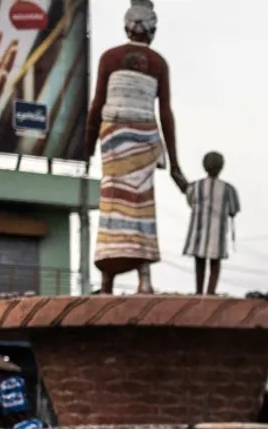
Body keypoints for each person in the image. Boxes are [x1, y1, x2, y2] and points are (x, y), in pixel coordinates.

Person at [86, 0, 186, 295]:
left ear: (127, 27)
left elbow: (96, 105)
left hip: (115, 137)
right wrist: (175, 164)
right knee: (140, 205)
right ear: (152, 30)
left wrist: (86, 145)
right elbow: (165, 113)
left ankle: (109, 281)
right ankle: (142, 278)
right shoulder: (158, 63)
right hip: (142, 138)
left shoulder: (110, 57)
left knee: (113, 204)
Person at [183, 150, 241, 295]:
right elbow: (233, 210)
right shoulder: (228, 189)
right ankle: (210, 292)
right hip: (217, 232)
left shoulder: (195, 186)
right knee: (215, 263)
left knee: (199, 261)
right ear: (221, 167)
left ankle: (198, 291)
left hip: (198, 231)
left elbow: (190, 201)